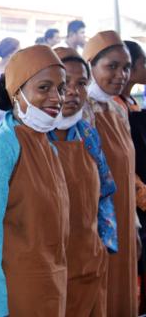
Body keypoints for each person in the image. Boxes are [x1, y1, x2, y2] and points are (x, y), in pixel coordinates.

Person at [0, 45, 68, 317]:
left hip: (51, 289)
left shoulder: (49, 145)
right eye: (44, 87)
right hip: (13, 297)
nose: (56, 98)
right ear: (16, 93)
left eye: (61, 88)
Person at [51, 47, 118, 316]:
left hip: (89, 264)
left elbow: (105, 192)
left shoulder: (86, 134)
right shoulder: (23, 140)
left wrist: (104, 245)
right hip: (48, 269)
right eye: (63, 83)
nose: (73, 92)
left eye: (81, 84)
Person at [82, 30, 137, 317]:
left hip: (125, 222)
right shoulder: (81, 113)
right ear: (91, 66)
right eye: (111, 66)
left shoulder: (118, 111)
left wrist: (135, 226)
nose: (121, 74)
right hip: (101, 228)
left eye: (126, 67)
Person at [117, 40, 146, 313]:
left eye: (126, 67)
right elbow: (123, 165)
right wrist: (142, 194)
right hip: (132, 204)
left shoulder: (130, 102)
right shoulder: (112, 108)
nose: (121, 74)